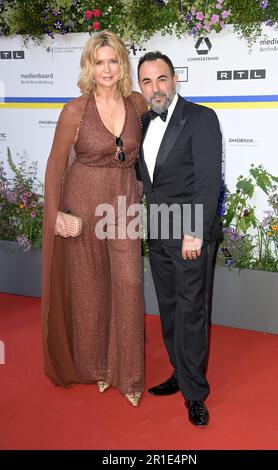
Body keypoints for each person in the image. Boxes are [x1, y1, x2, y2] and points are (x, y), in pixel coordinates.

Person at [41, 31, 148, 407]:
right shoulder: (75, 110)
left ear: (122, 64)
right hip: (82, 207)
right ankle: (98, 368)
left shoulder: (137, 104)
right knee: (90, 289)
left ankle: (129, 375)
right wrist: (55, 214)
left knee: (129, 284)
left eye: (113, 60)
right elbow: (54, 168)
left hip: (124, 205)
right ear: (89, 65)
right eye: (99, 61)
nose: (106, 68)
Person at [137, 52, 222, 425]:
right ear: (140, 87)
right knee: (170, 309)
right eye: (146, 81)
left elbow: (207, 182)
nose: (155, 88)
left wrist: (195, 234)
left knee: (191, 313)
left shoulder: (201, 118)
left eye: (161, 79)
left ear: (175, 80)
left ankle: (195, 392)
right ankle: (179, 372)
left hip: (189, 234)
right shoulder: (142, 122)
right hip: (157, 232)